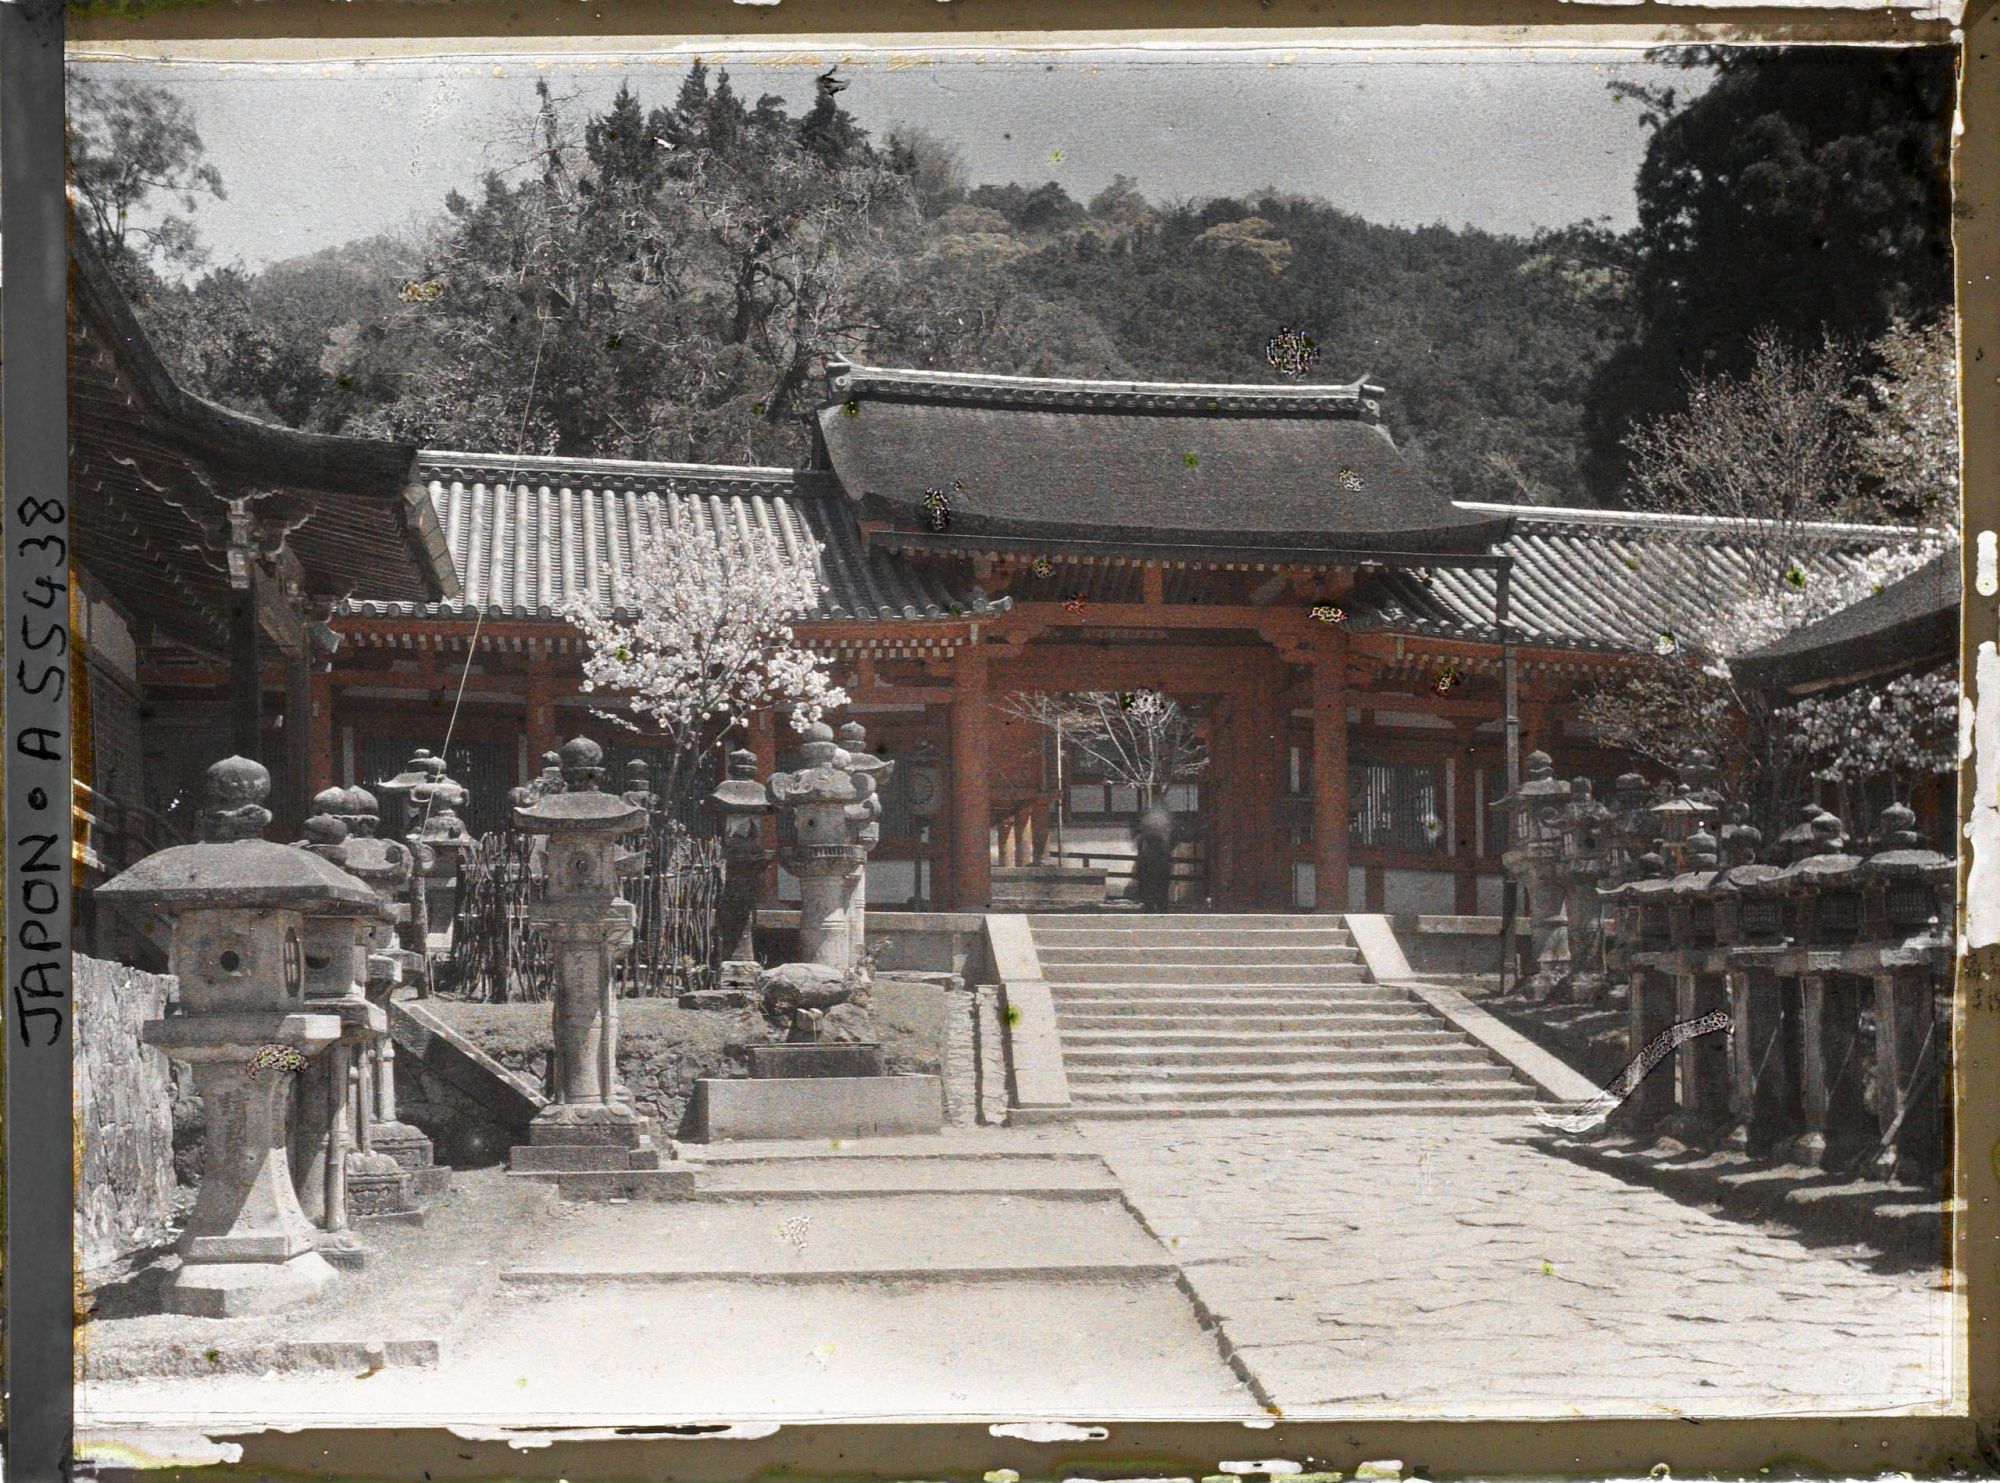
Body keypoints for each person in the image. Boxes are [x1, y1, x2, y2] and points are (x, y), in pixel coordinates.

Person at [1132, 802, 1175, 912]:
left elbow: (1137, 839)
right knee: (1161, 884)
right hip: (1161, 859)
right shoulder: (1164, 826)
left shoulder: (1145, 828)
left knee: (1148, 884)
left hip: (1149, 858)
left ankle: (1150, 905)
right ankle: (1161, 905)